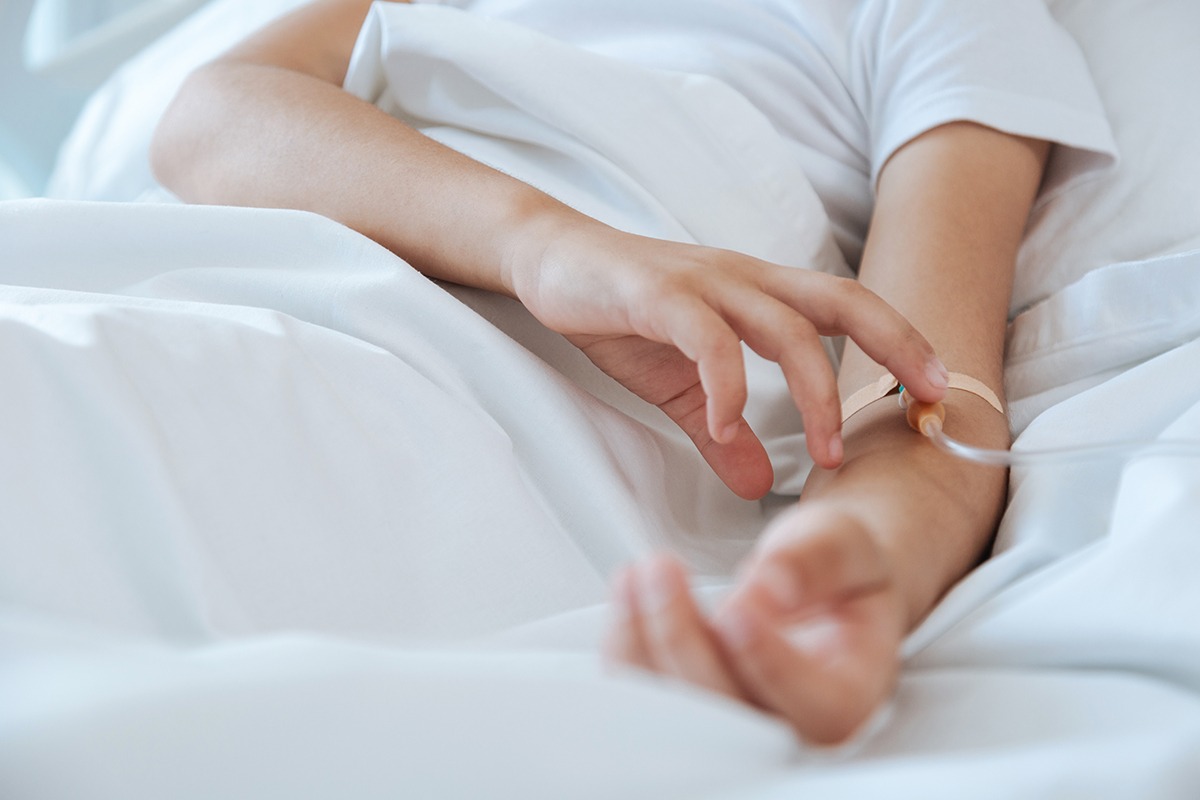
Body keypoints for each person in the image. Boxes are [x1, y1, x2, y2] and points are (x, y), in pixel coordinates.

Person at [150, 0, 1114, 743]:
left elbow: (922, 382)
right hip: (276, 285)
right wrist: (546, 248)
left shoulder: (939, 17)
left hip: (512, 401)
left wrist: (856, 555)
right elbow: (206, 120)